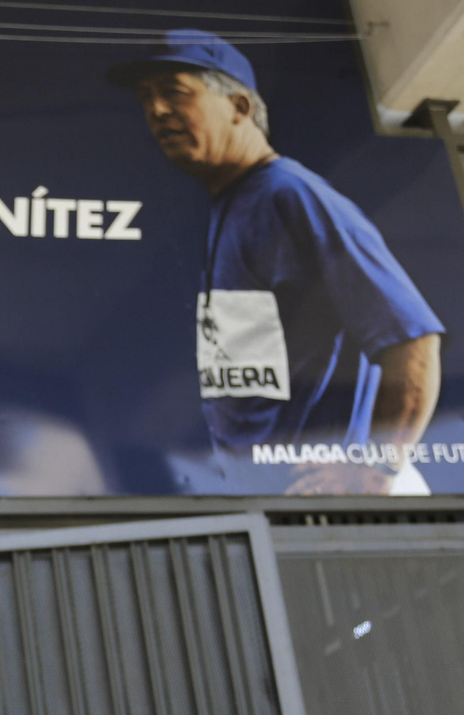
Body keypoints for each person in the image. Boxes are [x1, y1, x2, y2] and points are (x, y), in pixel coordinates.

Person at [108, 30, 444, 496]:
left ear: (240, 107)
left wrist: (372, 469)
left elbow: (414, 340)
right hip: (280, 509)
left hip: (342, 507)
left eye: (174, 92)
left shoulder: (291, 194)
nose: (156, 110)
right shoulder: (235, 205)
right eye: (147, 97)